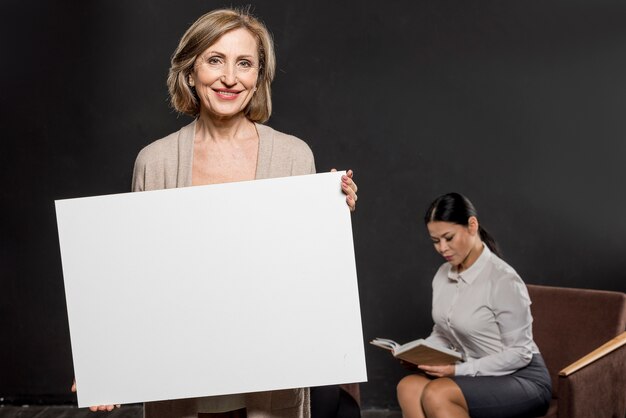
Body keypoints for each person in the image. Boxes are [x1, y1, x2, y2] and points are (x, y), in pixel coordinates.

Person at [73, 7, 359, 418]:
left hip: (270, 377)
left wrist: (331, 217)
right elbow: (137, 279)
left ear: (258, 77)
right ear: (190, 73)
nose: (230, 77)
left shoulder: (295, 155)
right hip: (182, 376)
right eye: (215, 60)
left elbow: (304, 274)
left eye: (244, 63)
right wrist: (103, 364)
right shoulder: (155, 162)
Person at [396, 193, 552, 418]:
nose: (442, 248)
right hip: (476, 374)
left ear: (472, 225)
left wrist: (458, 370)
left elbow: (520, 353)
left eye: (449, 238)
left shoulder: (504, 279)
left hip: (522, 377)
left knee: (438, 393)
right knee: (408, 387)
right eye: (435, 241)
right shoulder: (442, 275)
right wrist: (419, 354)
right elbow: (443, 332)